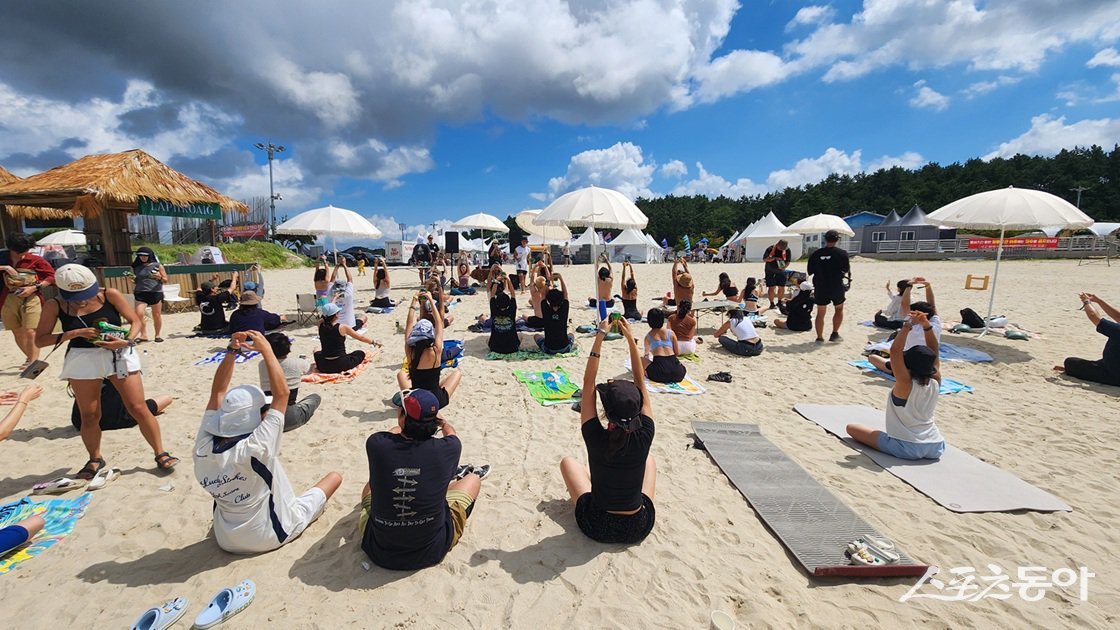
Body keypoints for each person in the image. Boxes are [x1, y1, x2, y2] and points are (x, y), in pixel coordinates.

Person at [193, 330, 342, 554]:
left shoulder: (203, 444)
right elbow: (282, 395)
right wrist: (267, 351)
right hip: (269, 535)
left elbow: (217, 392)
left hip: (224, 536)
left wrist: (232, 351)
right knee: (334, 478)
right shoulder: (256, 446)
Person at [35, 264, 179, 477]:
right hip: (82, 357)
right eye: (76, 296)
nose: (82, 299)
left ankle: (160, 452)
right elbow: (40, 340)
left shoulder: (109, 294)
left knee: (138, 407)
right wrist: (73, 333)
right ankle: (94, 459)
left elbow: (135, 321)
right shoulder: (54, 304)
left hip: (119, 353)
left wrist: (127, 341)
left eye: (86, 293)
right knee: (89, 414)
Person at [360, 389, 489, 570]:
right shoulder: (450, 447)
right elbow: (452, 434)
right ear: (434, 420)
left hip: (379, 549)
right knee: (473, 479)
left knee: (369, 487)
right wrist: (443, 423)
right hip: (432, 550)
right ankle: (451, 480)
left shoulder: (376, 444)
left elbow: (393, 433)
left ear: (402, 416)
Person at [560, 317, 656, 544]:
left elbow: (588, 383)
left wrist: (600, 336)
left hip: (598, 524)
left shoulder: (595, 436)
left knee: (568, 463)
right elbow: (640, 383)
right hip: (637, 526)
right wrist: (631, 340)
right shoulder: (645, 434)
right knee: (649, 461)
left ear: (607, 412)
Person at [846, 311, 946, 460]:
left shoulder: (905, 383)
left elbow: (895, 351)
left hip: (907, 447)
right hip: (936, 445)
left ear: (908, 366)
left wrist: (908, 325)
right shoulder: (936, 380)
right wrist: (926, 326)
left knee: (852, 428)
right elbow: (934, 351)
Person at [1, 232, 56, 370]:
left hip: (31, 297)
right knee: (17, 331)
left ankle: (33, 363)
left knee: (31, 330)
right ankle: (31, 358)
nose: (23, 254)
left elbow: (51, 277)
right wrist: (5, 267)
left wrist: (34, 288)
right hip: (7, 298)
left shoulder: (36, 260)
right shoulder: (2, 257)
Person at [399, 292, 462, 407]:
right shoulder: (436, 350)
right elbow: (438, 322)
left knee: (401, 374)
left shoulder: (410, 350)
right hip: (436, 399)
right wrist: (431, 301)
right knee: (457, 374)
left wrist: (414, 301)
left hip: (417, 398)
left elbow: (409, 324)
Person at [868, 278, 940, 375]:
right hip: (928, 366)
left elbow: (904, 303)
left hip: (906, 366)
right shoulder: (935, 324)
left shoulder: (910, 325)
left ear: (913, 314)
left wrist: (909, 285)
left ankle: (898, 372)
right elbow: (932, 303)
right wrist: (927, 286)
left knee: (872, 358)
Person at [259, 332, 320, 431]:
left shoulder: (262, 364)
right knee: (315, 397)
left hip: (267, 417)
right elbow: (310, 371)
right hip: (290, 417)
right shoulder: (298, 363)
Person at [1055, 293, 1120, 386]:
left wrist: (1086, 302)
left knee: (1070, 362)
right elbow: (1118, 317)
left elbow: (1094, 317)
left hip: (1111, 373)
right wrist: (1099, 301)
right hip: (1109, 364)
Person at [69, 381, 172, 431]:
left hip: (81, 421)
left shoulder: (82, 363)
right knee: (167, 398)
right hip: (117, 419)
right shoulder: (118, 363)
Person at [807, 230, 850, 343]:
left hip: (820, 285)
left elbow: (810, 271)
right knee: (839, 309)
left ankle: (819, 337)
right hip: (836, 285)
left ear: (825, 239)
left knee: (820, 312)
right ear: (837, 240)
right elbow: (845, 269)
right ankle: (834, 333)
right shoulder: (842, 253)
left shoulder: (816, 254)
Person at [314, 302, 378, 374]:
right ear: (336, 315)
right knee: (360, 353)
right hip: (341, 364)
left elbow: (326, 315)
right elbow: (361, 337)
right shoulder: (342, 327)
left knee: (316, 350)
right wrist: (373, 342)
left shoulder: (320, 324)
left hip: (324, 366)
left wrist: (333, 301)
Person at [128, 247, 168, 343]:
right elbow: (134, 281)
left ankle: (157, 335)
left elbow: (165, 280)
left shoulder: (157, 266)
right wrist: (130, 279)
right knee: (139, 313)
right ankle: (143, 335)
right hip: (140, 292)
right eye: (141, 255)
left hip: (155, 291)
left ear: (150, 256)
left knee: (156, 315)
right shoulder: (135, 267)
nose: (143, 257)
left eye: (145, 255)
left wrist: (159, 277)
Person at [642, 309, 686, 383]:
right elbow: (677, 353)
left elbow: (646, 355)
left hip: (660, 373)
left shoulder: (648, 337)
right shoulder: (671, 333)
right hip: (677, 372)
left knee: (641, 359)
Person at [535, 281, 574, 354]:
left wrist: (547, 283)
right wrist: (560, 278)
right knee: (571, 335)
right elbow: (565, 294)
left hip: (549, 348)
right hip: (564, 347)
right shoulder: (564, 309)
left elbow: (543, 295)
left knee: (536, 336)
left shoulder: (545, 309)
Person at [487, 272, 520, 354]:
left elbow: (492, 295)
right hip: (512, 347)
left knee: (486, 340)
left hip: (495, 347)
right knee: (521, 336)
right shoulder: (511, 309)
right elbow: (513, 294)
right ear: (509, 302)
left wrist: (496, 281)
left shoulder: (494, 309)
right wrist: (508, 280)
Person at [330, 258, 366, 330]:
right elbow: (350, 279)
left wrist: (337, 266)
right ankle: (362, 325)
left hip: (334, 327)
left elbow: (332, 279)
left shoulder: (329, 293)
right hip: (349, 327)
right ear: (344, 287)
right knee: (364, 317)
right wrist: (344, 265)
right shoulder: (348, 294)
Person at [762, 239, 791, 309]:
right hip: (770, 270)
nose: (782, 250)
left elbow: (788, 261)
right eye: (781, 248)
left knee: (781, 287)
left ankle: (780, 302)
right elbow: (765, 259)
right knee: (771, 287)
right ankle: (772, 303)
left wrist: (784, 267)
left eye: (783, 249)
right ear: (777, 245)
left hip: (781, 271)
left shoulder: (787, 250)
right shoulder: (770, 249)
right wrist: (775, 258)